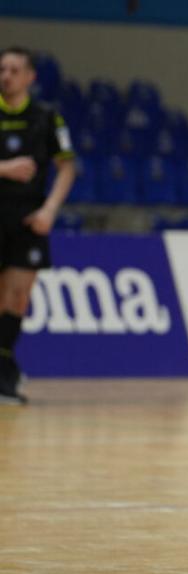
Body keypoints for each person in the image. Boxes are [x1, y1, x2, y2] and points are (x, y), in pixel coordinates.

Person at [0, 46, 75, 405]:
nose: (6, 76)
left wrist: (49, 209)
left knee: (17, 297)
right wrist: (4, 168)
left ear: (30, 77)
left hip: (28, 219)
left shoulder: (47, 118)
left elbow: (67, 168)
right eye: (2, 70)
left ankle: (4, 370)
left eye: (14, 70)